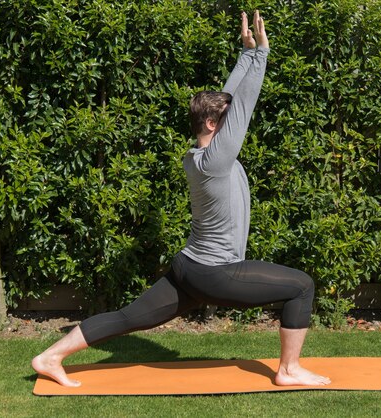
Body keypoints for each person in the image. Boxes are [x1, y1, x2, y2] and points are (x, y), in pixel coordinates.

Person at [32, 10, 331, 388]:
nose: (233, 125)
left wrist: (247, 54)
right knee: (301, 285)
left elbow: (229, 101)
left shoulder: (199, 156)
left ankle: (49, 356)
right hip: (215, 272)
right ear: (211, 125)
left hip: (189, 267)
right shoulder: (216, 163)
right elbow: (242, 106)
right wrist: (264, 55)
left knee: (129, 317)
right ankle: (288, 371)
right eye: (225, 120)